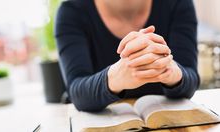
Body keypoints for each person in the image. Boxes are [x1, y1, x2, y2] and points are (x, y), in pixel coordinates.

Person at [55, 0, 200, 112]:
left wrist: (171, 72)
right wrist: (114, 77)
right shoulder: (72, 12)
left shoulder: (178, 3)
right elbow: (76, 91)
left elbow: (191, 78)